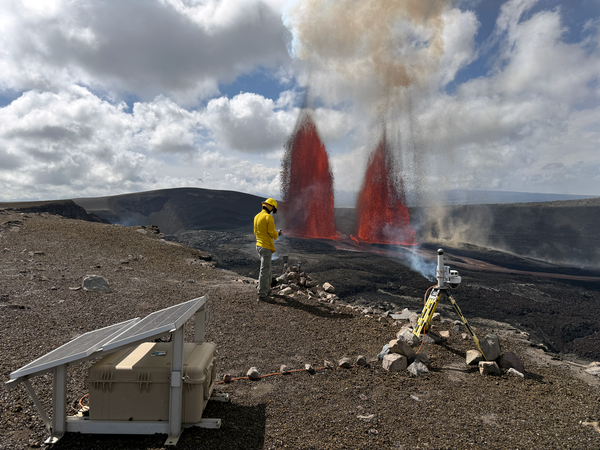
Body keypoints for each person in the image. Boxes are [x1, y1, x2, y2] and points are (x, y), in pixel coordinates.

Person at [254, 198, 282, 300]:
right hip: (266, 247)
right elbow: (271, 232)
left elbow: (256, 232)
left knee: (267, 268)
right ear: (271, 207)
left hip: (258, 245)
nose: (273, 212)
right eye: (273, 209)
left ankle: (267, 289)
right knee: (265, 270)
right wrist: (278, 233)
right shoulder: (268, 217)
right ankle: (262, 294)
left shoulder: (257, 216)